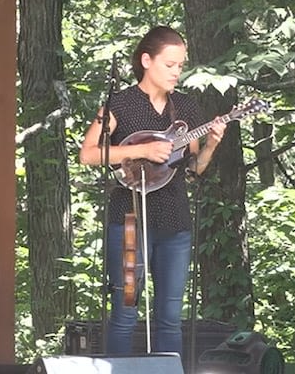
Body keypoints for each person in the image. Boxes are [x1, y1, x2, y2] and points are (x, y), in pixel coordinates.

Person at [77, 25, 225, 355]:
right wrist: (139, 152)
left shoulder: (186, 109)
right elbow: (88, 153)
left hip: (175, 220)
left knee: (170, 318)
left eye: (180, 66)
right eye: (169, 65)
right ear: (147, 60)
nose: (176, 72)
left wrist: (211, 146)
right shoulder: (121, 103)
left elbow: (193, 170)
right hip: (129, 220)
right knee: (125, 313)